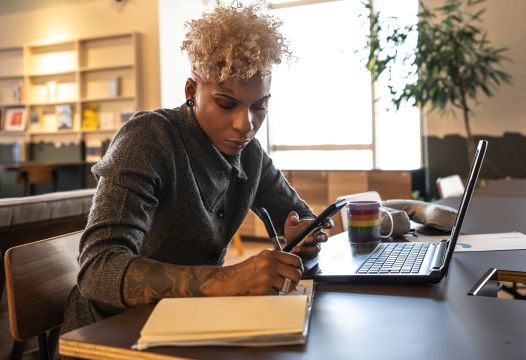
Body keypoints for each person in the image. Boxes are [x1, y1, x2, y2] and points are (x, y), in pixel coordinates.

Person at [62, 2, 331, 333]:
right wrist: (228, 278)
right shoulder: (147, 140)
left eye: (259, 106)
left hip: (193, 322)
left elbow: (300, 218)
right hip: (111, 329)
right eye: (226, 104)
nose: (245, 125)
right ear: (192, 90)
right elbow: (98, 271)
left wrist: (301, 234)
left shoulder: (250, 154)